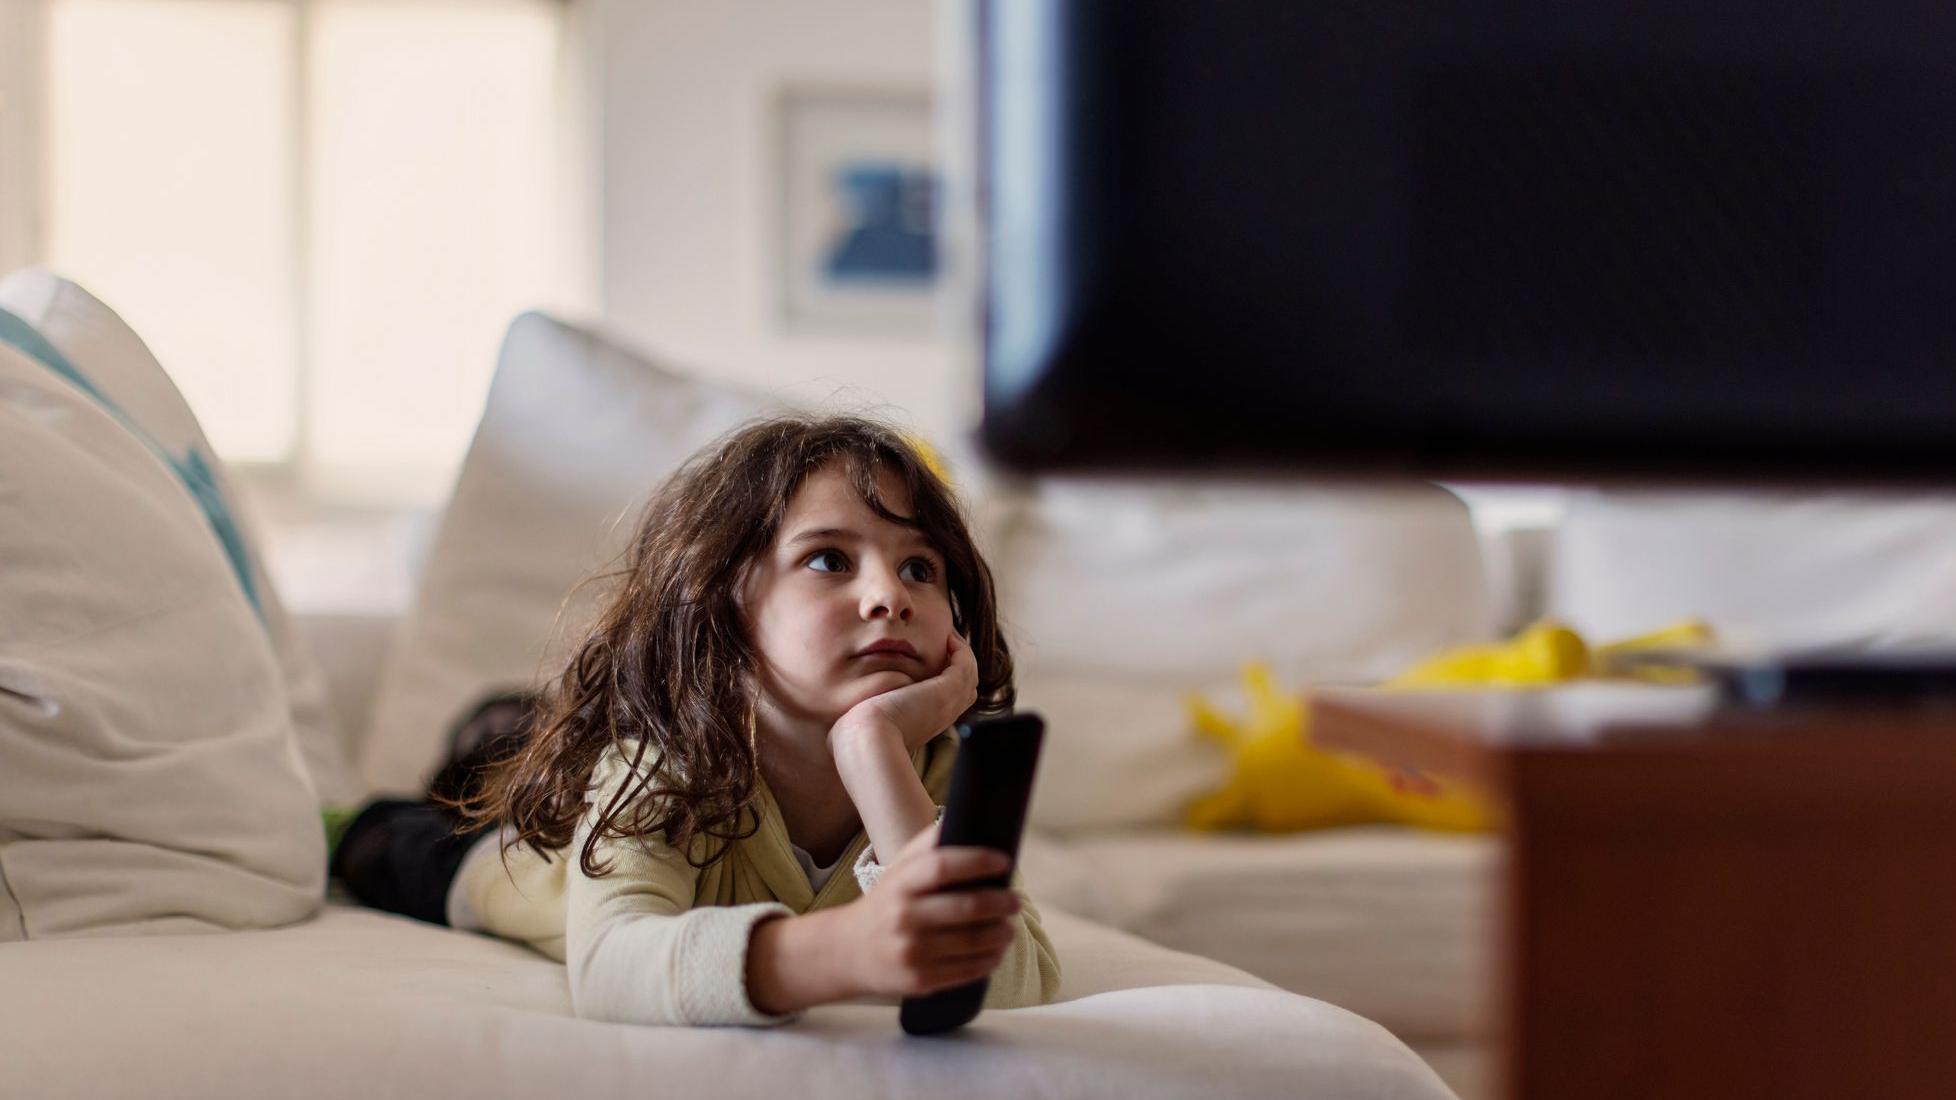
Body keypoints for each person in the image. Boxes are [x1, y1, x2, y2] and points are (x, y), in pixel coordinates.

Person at [330, 415, 1061, 1026]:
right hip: (514, 866)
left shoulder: (938, 775)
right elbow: (610, 965)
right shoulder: (664, 762)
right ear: (724, 607)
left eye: (919, 570)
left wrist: (872, 749)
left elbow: (1017, 984)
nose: (888, 597)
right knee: (397, 838)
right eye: (831, 559)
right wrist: (841, 952)